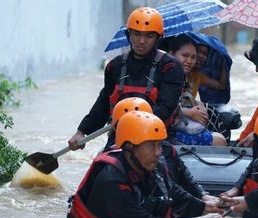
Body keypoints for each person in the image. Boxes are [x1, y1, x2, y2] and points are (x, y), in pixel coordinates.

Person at [64, 111, 224, 218]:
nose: (158, 152)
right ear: (129, 147)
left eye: (159, 145)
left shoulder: (151, 164)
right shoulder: (111, 182)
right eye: (151, 146)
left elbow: (171, 190)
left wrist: (204, 206)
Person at [68, 7, 184, 151]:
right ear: (128, 34)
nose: (141, 41)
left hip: (157, 136)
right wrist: (82, 131)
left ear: (159, 38)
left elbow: (166, 107)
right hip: (119, 136)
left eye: (149, 36)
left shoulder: (170, 67)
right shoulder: (114, 66)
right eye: (136, 34)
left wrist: (132, 125)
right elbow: (104, 103)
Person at [109, 97, 219, 202]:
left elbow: (179, 180)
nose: (157, 152)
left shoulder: (165, 150)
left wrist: (202, 196)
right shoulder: (111, 166)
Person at [166, 34, 227, 146]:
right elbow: (162, 108)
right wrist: (190, 113)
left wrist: (224, 65)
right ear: (171, 54)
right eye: (185, 55)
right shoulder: (164, 77)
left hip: (179, 124)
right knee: (220, 141)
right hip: (166, 131)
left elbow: (221, 85)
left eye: (193, 57)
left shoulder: (185, 77)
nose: (189, 61)